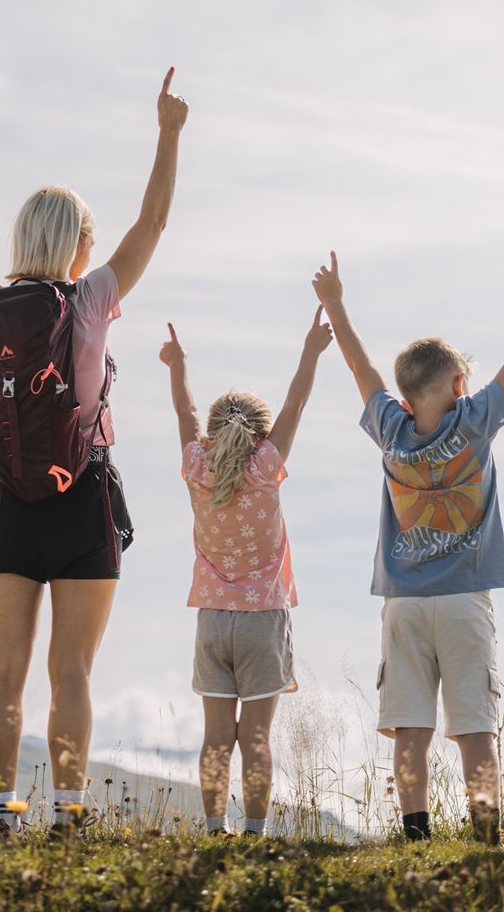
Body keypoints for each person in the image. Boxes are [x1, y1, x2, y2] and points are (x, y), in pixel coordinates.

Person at [0, 68, 190, 833]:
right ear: (81, 244)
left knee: (7, 666)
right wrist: (168, 133)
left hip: (9, 501)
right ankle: (67, 816)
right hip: (82, 495)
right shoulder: (90, 300)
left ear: (24, 239)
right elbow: (153, 224)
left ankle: (0, 812)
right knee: (72, 669)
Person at [311, 244, 504, 843]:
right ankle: (485, 834)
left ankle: (416, 836)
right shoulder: (475, 421)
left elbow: (361, 371)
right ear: (461, 383)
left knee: (410, 727)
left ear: (405, 391)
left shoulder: (390, 428)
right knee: (474, 726)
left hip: (405, 606)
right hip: (466, 599)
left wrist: (336, 306)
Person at [158, 310, 333, 837]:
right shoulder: (266, 466)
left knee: (216, 738)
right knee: (255, 738)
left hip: (212, 619)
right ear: (260, 433)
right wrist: (311, 351)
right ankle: (255, 832)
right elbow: (296, 403)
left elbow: (184, 409)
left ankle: (215, 828)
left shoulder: (196, 466)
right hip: (263, 621)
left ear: (212, 431)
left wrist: (178, 363)